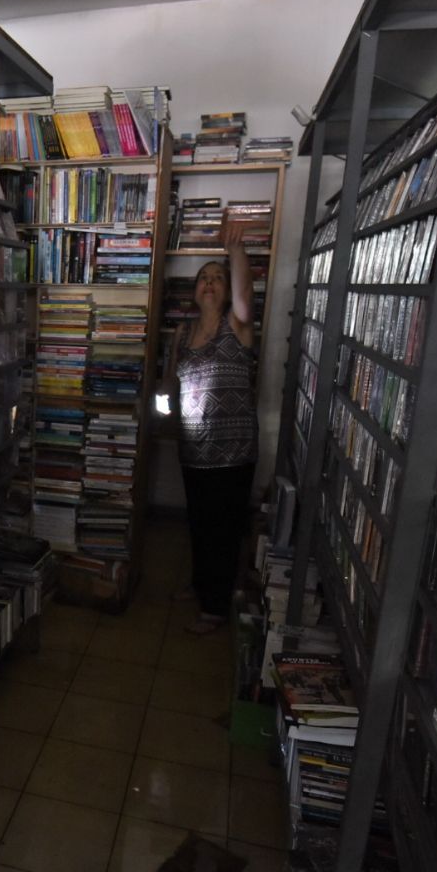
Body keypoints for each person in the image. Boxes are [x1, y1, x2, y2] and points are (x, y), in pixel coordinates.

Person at [164, 220, 261, 635]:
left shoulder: (237, 325)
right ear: (194, 291)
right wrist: (162, 413)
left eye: (218, 278)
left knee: (224, 529)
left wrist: (235, 251)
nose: (210, 282)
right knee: (199, 522)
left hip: (233, 451)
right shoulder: (182, 333)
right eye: (204, 277)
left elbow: (245, 300)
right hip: (193, 449)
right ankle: (202, 583)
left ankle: (216, 608)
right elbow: (170, 383)